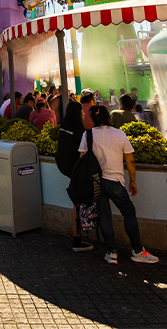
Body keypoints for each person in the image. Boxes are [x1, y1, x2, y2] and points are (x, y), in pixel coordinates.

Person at [78, 105, 159, 265]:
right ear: (109, 118)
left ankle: (111, 253)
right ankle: (137, 251)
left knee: (104, 215)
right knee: (129, 212)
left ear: (93, 119)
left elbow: (82, 160)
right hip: (115, 182)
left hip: (96, 183)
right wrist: (133, 181)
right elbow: (130, 160)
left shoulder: (87, 135)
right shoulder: (119, 134)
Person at [54, 101, 94, 252]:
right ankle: (77, 238)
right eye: (82, 112)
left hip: (67, 168)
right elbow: (83, 152)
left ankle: (77, 237)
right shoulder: (79, 131)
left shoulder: (63, 128)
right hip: (77, 169)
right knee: (78, 203)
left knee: (76, 203)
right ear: (78, 113)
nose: (84, 114)